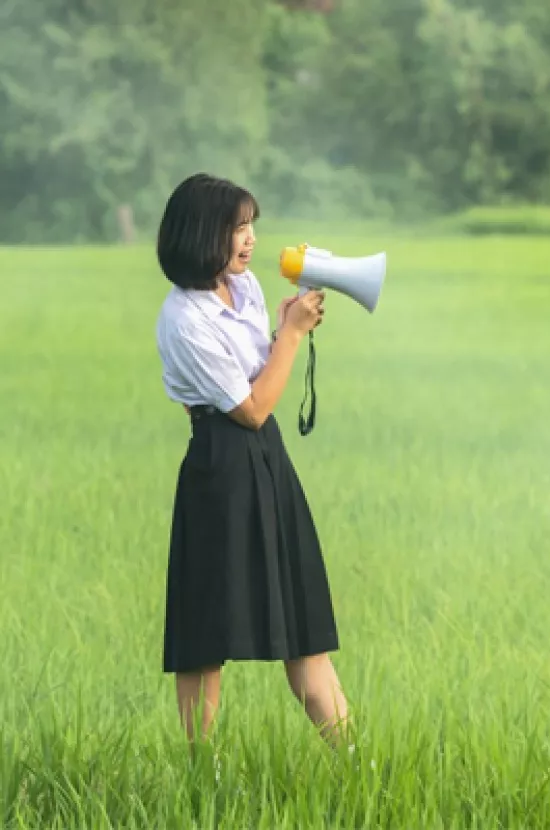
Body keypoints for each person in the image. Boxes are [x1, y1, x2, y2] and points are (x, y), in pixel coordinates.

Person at [155, 172, 350, 749]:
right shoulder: (184, 319)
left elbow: (264, 376)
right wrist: (290, 336)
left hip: (269, 463)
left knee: (305, 625)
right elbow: (253, 408)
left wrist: (285, 328)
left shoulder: (245, 290)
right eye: (236, 228)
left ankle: (357, 767)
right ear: (200, 235)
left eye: (250, 227)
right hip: (220, 466)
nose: (250, 240)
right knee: (204, 632)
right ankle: (201, 770)